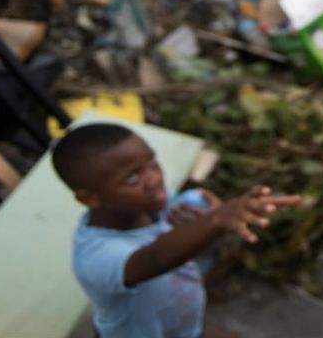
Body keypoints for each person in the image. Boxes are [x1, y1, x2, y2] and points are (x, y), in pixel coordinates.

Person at [53, 123, 301, 338]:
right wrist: (213, 221)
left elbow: (178, 251)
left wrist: (204, 228)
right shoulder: (96, 255)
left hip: (183, 327)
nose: (154, 179)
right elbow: (154, 258)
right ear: (90, 198)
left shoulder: (151, 205)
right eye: (132, 178)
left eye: (152, 162)